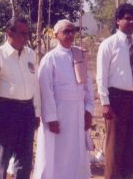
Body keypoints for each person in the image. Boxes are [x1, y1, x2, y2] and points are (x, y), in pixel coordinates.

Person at [96, 3, 133, 179]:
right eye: (127, 18)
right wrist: (105, 103)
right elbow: (101, 77)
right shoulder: (108, 45)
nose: (131, 22)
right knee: (115, 147)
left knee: (132, 146)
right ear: (118, 20)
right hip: (116, 100)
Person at [34, 19, 95, 179]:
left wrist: (89, 110)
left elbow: (88, 85)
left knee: (76, 152)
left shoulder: (79, 55)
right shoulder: (50, 58)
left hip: (78, 113)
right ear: (56, 35)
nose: (70, 34)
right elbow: (45, 90)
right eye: (65, 31)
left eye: (72, 31)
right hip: (58, 113)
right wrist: (51, 118)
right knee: (55, 153)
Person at [0, 18, 41, 179]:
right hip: (6, 110)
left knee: (25, 157)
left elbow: (34, 84)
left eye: (27, 33)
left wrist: (37, 112)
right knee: (3, 156)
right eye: (22, 33)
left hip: (27, 110)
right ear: (9, 33)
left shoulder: (30, 54)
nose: (26, 37)